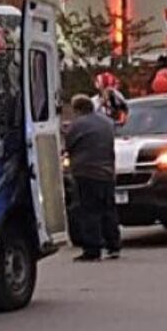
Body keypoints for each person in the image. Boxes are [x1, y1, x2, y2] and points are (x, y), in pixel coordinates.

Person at [64, 94, 121, 261]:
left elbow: (69, 145)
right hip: (107, 172)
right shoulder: (107, 122)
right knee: (108, 209)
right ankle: (114, 245)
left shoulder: (77, 125)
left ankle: (92, 249)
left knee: (89, 211)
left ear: (78, 109)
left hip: (86, 172)